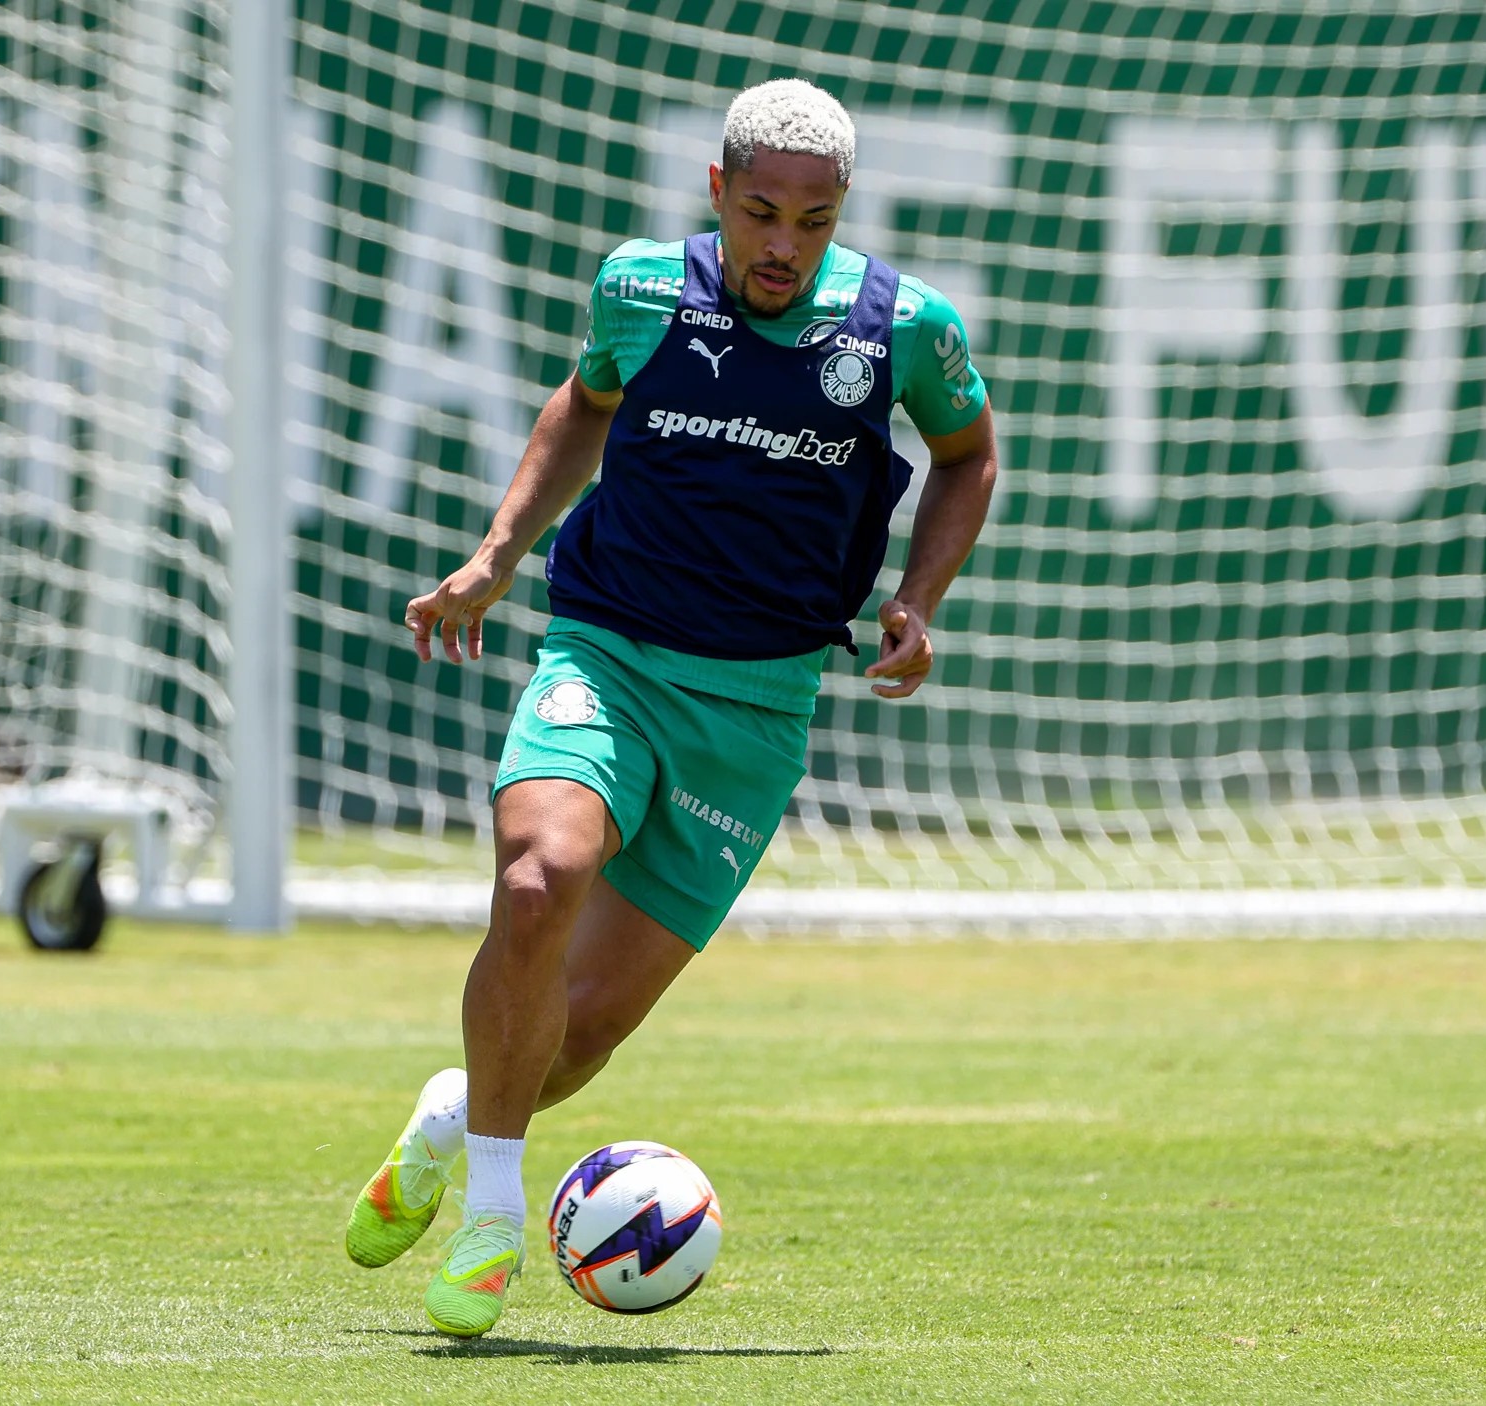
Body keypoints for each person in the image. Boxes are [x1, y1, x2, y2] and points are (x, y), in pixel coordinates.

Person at [343, 78, 998, 1338]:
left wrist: (920, 595)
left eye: (812, 222)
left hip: (753, 713)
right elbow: (583, 405)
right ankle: (490, 1220)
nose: (781, 245)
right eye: (759, 212)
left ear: (840, 214)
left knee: (574, 1040)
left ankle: (447, 1114)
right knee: (538, 879)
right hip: (606, 656)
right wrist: (493, 555)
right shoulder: (641, 287)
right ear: (717, 192)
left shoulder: (904, 327)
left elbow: (967, 451)